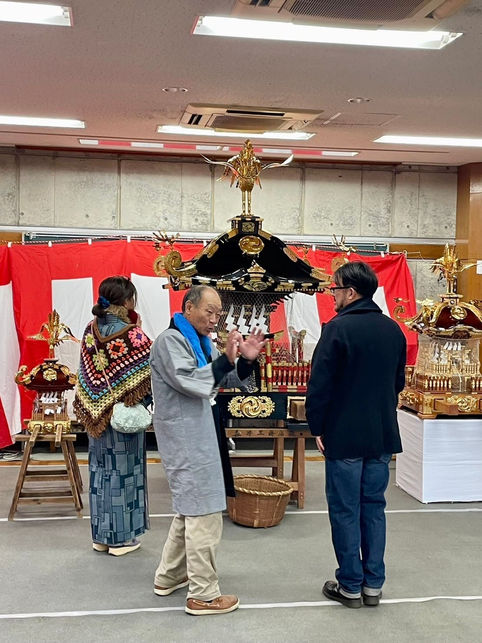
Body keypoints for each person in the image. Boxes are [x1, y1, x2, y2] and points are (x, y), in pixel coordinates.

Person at [150, 285, 265, 616]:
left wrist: (245, 360)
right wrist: (226, 360)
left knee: (190, 507)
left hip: (199, 433)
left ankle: (170, 575)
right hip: (186, 436)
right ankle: (203, 593)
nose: (215, 319)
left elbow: (225, 378)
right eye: (209, 311)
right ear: (188, 308)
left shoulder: (199, 342)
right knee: (204, 512)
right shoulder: (170, 341)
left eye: (218, 313)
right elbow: (193, 381)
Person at [306, 261, 406, 609]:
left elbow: (319, 385)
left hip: (344, 435)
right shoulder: (393, 330)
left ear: (350, 292)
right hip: (381, 435)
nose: (331, 294)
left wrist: (317, 426)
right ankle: (373, 585)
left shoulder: (337, 329)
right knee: (374, 508)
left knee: (345, 510)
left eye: (334, 288)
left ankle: (350, 584)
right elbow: (397, 383)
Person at [74, 276, 152, 556]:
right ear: (128, 301)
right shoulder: (133, 335)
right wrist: (139, 400)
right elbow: (149, 372)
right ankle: (121, 540)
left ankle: (101, 537)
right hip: (123, 418)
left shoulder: (90, 329)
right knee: (124, 474)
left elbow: (88, 373)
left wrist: (97, 403)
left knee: (99, 473)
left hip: (96, 417)